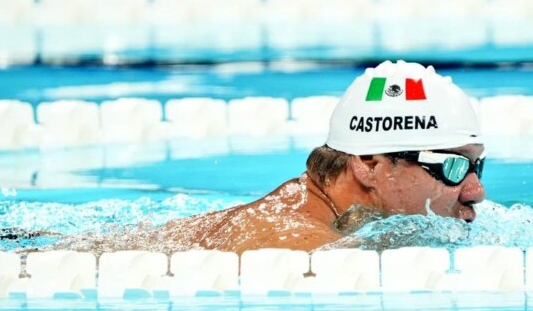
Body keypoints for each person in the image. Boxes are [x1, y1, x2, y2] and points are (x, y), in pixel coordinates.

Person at [159, 60, 486, 254]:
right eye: (451, 166)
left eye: (476, 166)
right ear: (369, 164)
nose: (476, 192)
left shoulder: (317, 214)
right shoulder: (299, 249)